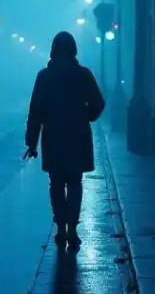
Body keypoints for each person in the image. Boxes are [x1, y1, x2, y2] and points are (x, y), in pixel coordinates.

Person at [24, 31, 105, 247]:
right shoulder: (83, 75)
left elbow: (35, 112)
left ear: (53, 50)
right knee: (75, 183)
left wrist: (31, 142)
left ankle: (60, 228)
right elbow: (98, 103)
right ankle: (72, 229)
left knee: (57, 184)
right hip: (78, 135)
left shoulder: (44, 77)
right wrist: (86, 116)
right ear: (73, 50)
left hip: (53, 137)